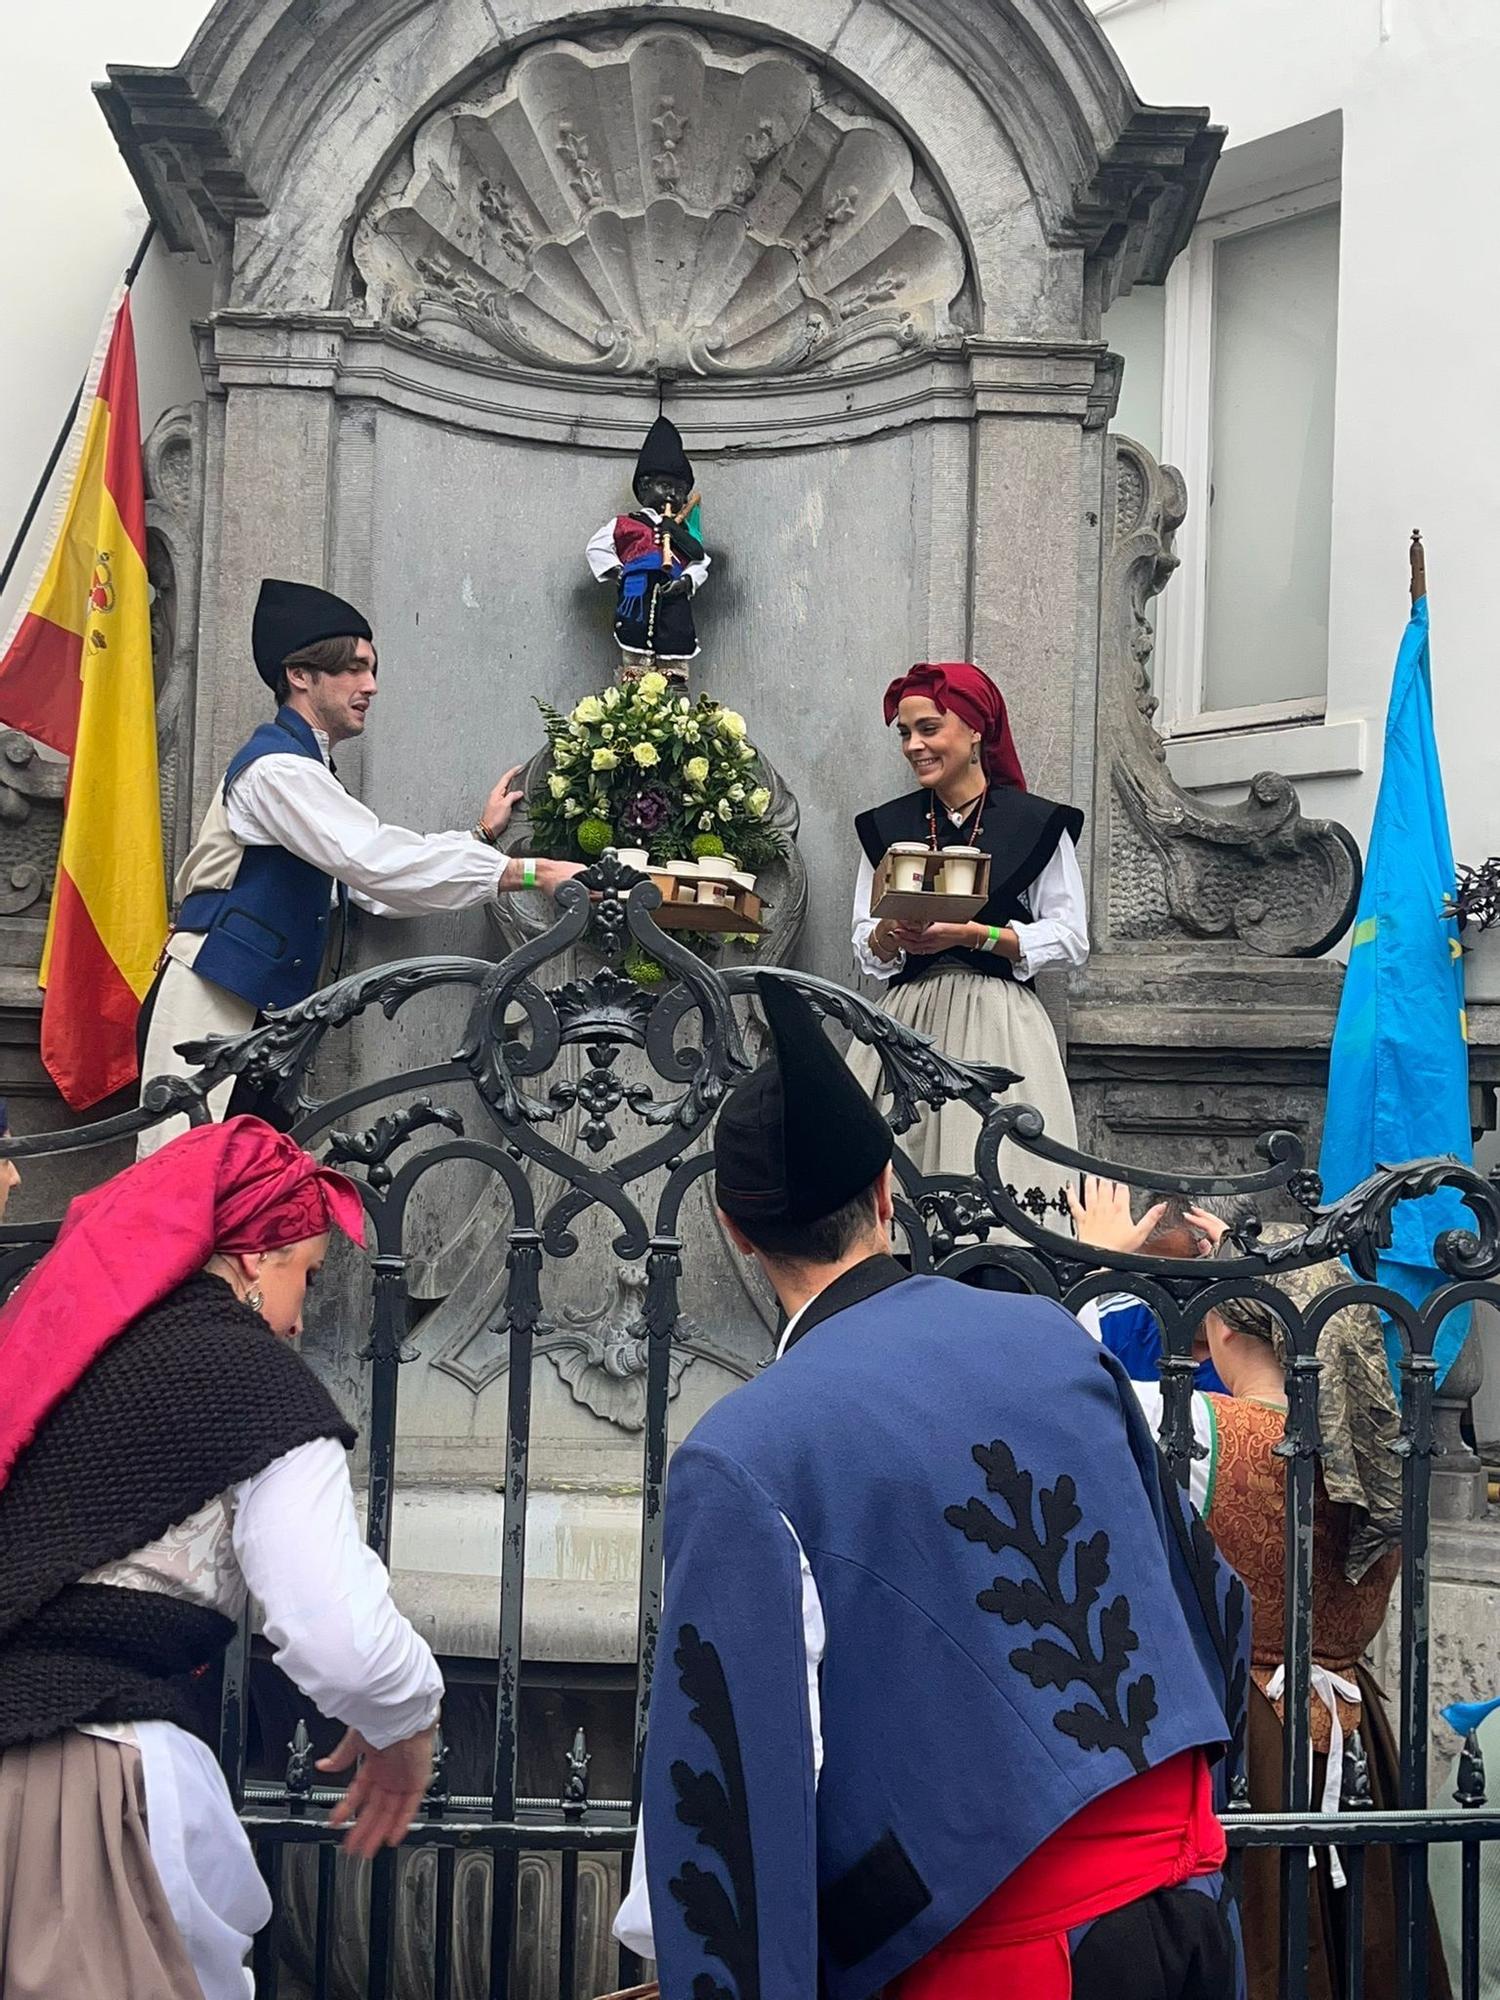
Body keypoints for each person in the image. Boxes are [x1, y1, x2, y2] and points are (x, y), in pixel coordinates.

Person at [615, 974, 1247, 2000]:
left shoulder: (744, 1451)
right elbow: (1210, 1596)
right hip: (1192, 1913)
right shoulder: (1053, 1338)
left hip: (995, 1962)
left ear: (735, 1229)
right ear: (883, 1192)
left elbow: (729, 1814)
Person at [0, 1117, 443, 2000]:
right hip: (83, 1787)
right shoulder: (247, 1382)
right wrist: (406, 1724)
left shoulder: (66, 1351)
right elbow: (333, 1628)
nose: (297, 1321)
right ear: (252, 1257)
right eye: (304, 1277)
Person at [1074, 1185, 1445, 2000]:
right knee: (1363, 1946)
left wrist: (1102, 1266)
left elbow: (1069, 1397)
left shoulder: (1211, 1430)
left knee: (1267, 1946)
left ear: (1228, 1323)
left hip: (1251, 1733)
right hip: (1355, 1731)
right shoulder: (1384, 1451)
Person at [137, 577, 584, 1153]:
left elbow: (369, 888)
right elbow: (373, 862)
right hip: (210, 1005)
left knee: (244, 1207)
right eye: (353, 668)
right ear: (300, 675)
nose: (370, 685)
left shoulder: (306, 771)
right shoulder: (278, 770)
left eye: (371, 669)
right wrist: (533, 873)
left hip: (257, 1019)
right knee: (179, 1194)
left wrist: (478, 838)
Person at [848, 662, 1086, 1209]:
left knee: (1001, 1192)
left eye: (929, 729)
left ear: (976, 730)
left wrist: (978, 935)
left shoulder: (1034, 821)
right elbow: (865, 941)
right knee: (889, 1197)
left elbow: (1071, 938)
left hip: (998, 1022)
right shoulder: (887, 825)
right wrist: (891, 934)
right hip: (907, 1023)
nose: (914, 745)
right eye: (905, 733)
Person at [586, 414, 708, 670]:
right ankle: (633, 703)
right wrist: (620, 573)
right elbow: (596, 547)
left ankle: (676, 704)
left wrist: (685, 581)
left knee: (675, 663)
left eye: (679, 490)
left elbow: (700, 561)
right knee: (635, 663)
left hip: (674, 602)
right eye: (665, 486)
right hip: (636, 599)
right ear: (644, 488)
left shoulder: (682, 531)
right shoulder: (626, 523)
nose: (673, 495)